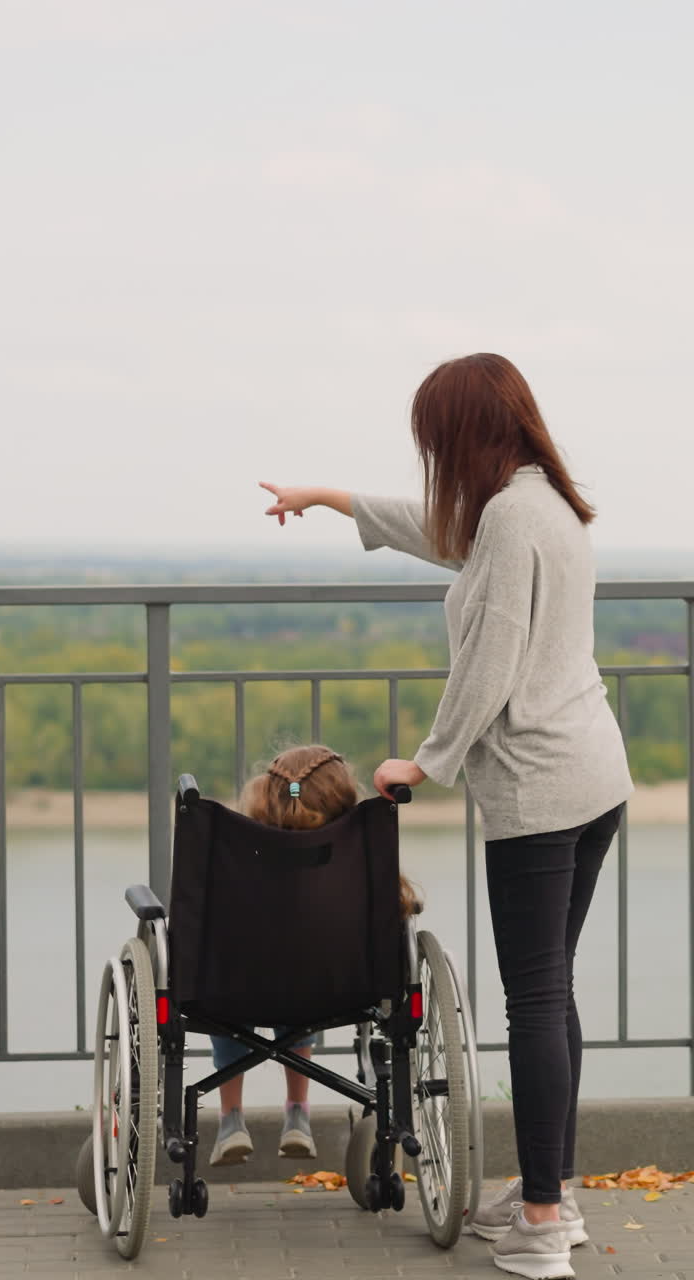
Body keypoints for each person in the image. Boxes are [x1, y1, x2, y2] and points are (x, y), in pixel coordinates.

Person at [259, 353, 632, 1280]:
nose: (432, 454)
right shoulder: (546, 504)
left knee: (538, 995)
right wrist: (335, 498)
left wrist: (425, 762)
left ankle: (543, 1223)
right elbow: (441, 534)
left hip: (541, 793)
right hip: (595, 778)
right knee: (557, 990)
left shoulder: (511, 518)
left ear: (466, 432)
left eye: (435, 437)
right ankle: (558, 1188)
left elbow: (491, 659)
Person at [210, 743, 420, 1168]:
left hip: (236, 990)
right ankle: (297, 1113)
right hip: (331, 989)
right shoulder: (357, 858)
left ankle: (231, 1119)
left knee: (231, 1002)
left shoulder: (237, 855)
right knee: (303, 987)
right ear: (342, 799)